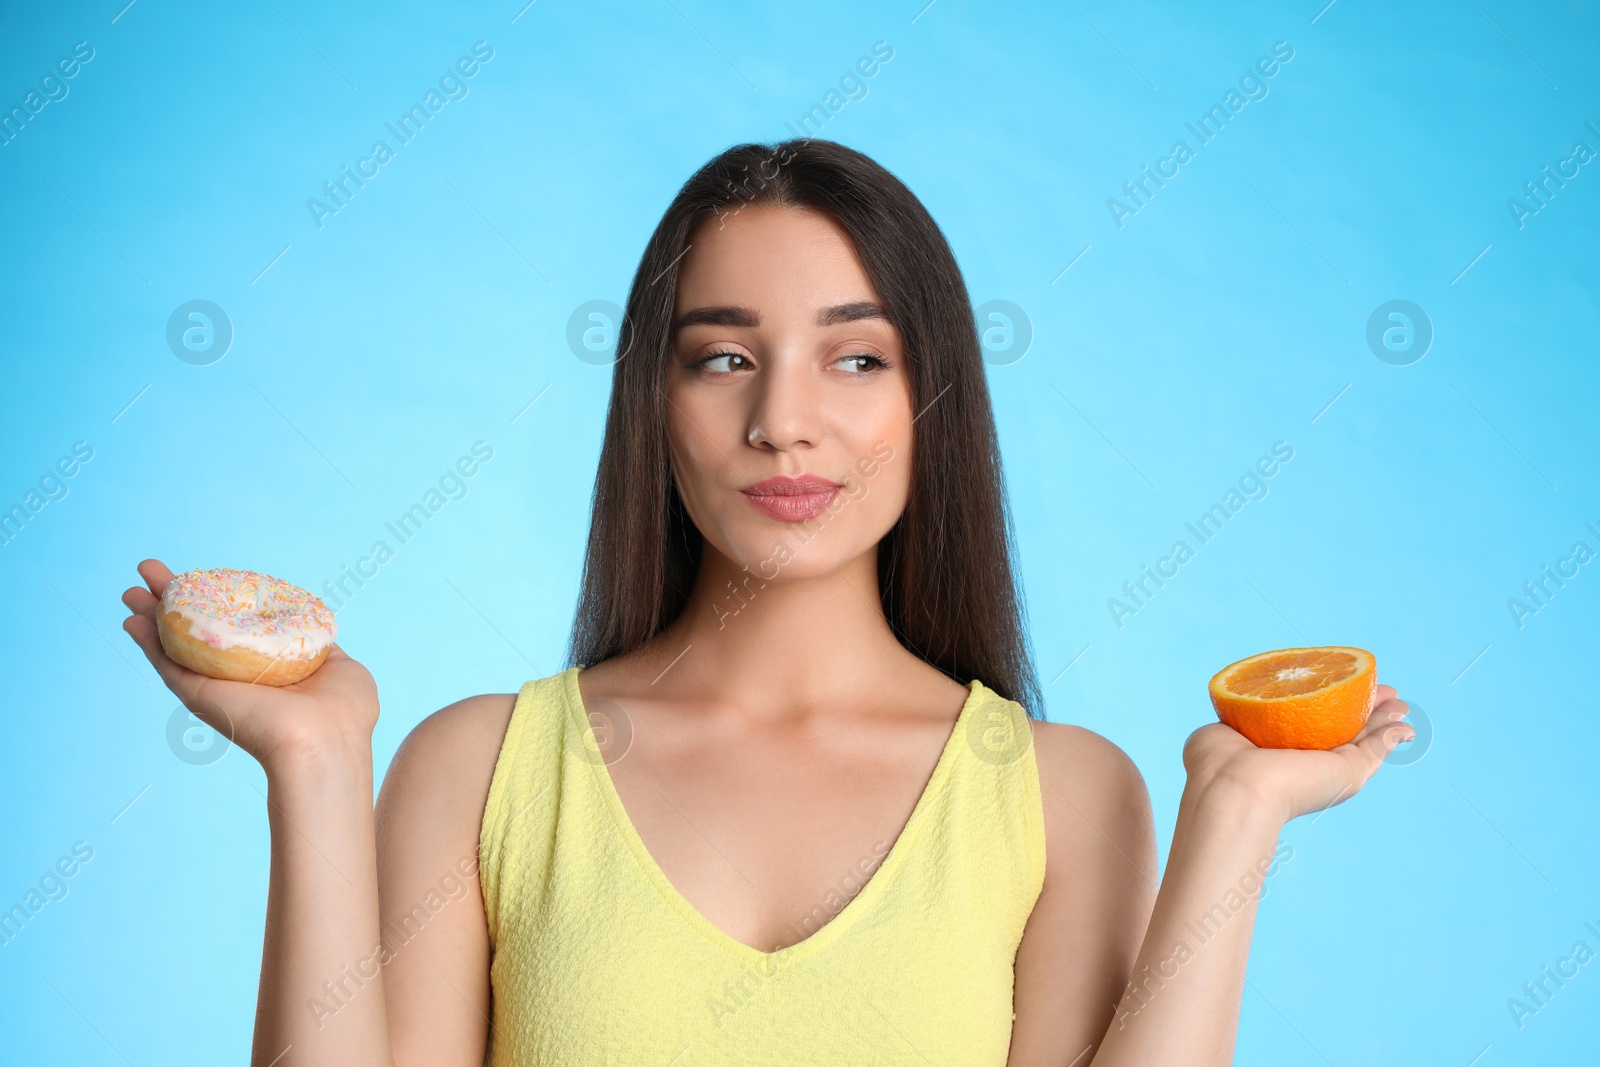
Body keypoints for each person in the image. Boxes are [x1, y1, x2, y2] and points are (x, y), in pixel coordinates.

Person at [120, 138, 1414, 1066]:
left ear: (932, 403)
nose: (783, 422)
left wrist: (1238, 816)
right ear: (656, 404)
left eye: (857, 357)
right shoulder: (477, 769)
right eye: (723, 357)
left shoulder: (1064, 797)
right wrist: (315, 759)